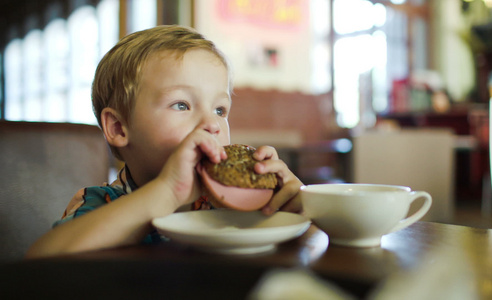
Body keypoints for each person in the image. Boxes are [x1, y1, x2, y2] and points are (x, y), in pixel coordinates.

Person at [26, 25, 303, 258]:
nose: (212, 124)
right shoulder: (101, 204)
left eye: (220, 110)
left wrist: (295, 208)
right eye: (181, 105)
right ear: (119, 127)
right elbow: (40, 262)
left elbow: (303, 255)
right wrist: (169, 191)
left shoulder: (229, 207)